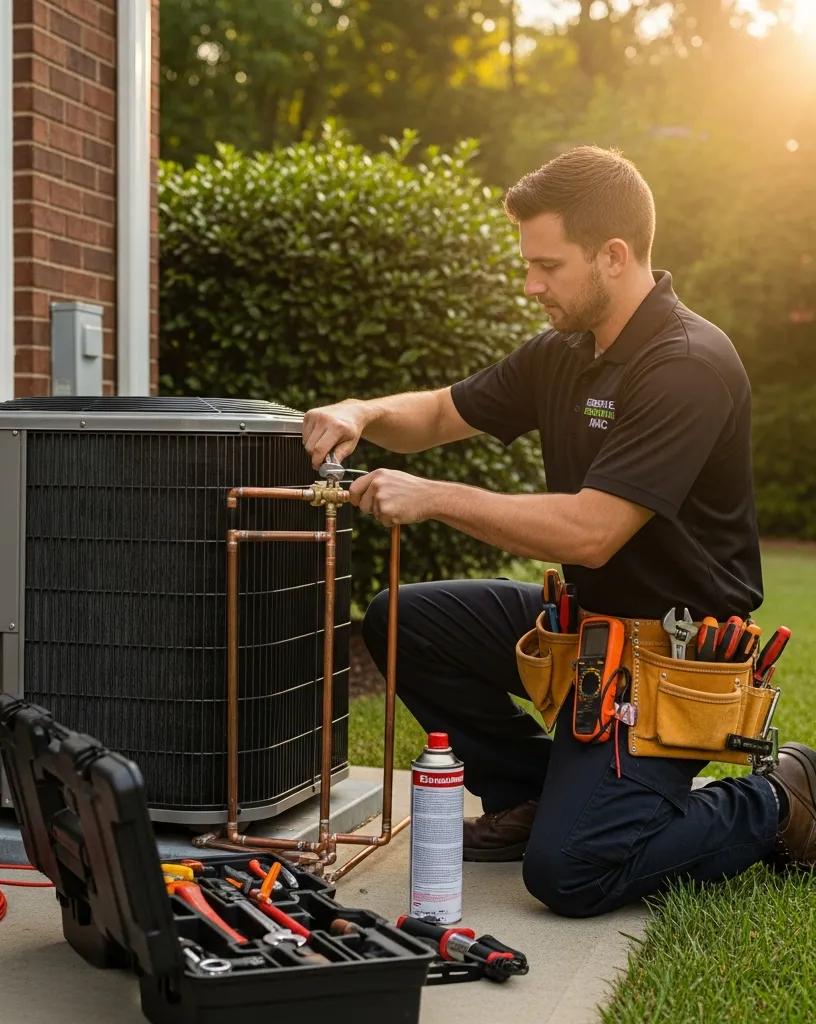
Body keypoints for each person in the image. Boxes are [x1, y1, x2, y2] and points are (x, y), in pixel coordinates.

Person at [301, 146, 816, 917]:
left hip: (670, 660)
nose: (531, 284)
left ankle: (781, 798)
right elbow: (441, 413)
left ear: (613, 256)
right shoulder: (564, 352)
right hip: (585, 634)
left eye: (547, 265)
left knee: (572, 873)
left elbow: (593, 530)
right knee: (403, 620)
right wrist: (364, 413)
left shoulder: (685, 364)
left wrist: (434, 496)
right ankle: (532, 793)